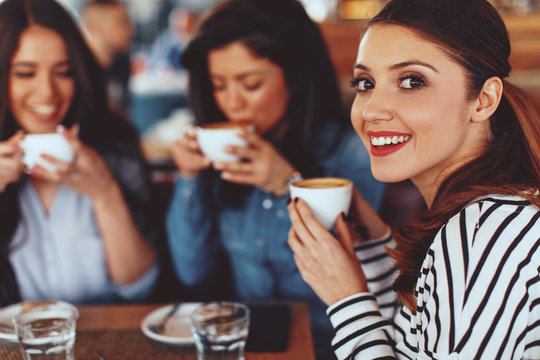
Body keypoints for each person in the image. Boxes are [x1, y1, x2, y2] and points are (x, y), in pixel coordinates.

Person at [287, 0, 540, 358]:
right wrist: (373, 246)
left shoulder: (480, 232)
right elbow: (417, 342)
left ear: (483, 100)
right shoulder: (474, 218)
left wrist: (346, 300)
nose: (372, 109)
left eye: (411, 81)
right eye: (366, 83)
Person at [165, 0, 385, 358]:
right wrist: (189, 177)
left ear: (296, 77)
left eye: (250, 84)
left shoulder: (352, 152)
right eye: (218, 85)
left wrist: (289, 184)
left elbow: (360, 274)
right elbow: (192, 270)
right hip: (246, 346)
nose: (231, 104)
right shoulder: (220, 158)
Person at [0, 0, 159, 306]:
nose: (47, 92)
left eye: (63, 72)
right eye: (25, 73)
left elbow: (141, 290)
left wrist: (105, 193)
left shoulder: (115, 148)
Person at [82, 0, 134, 117]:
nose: (131, 31)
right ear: (93, 27)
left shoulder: (121, 62)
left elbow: (123, 117)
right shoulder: (79, 69)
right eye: (121, 23)